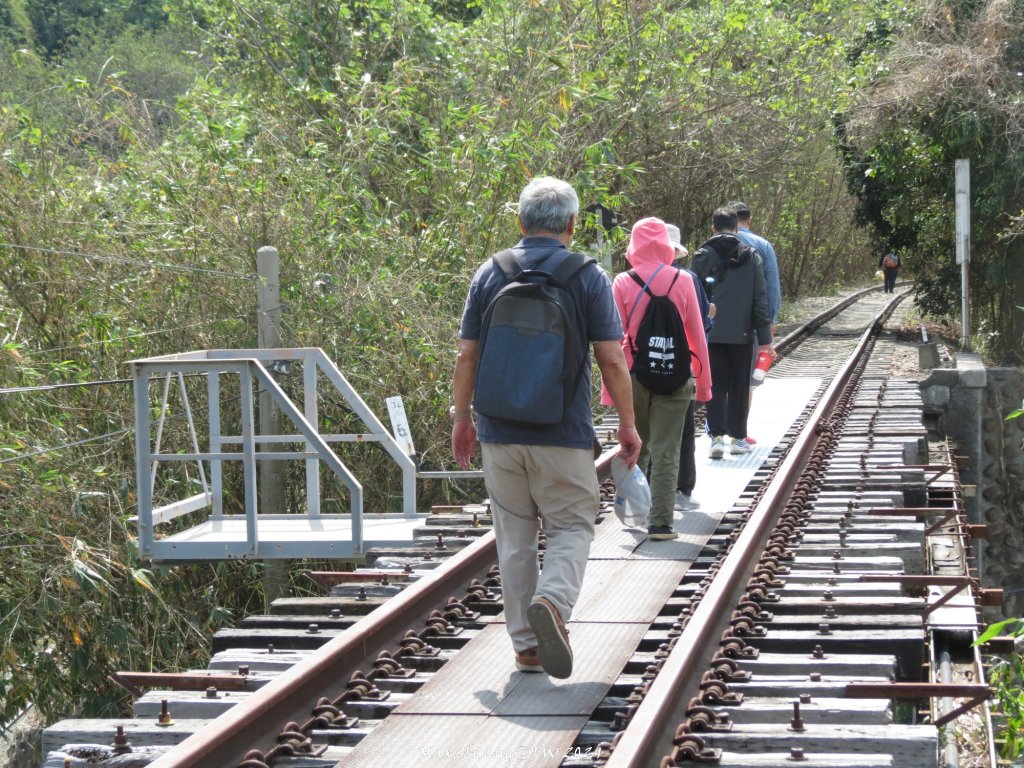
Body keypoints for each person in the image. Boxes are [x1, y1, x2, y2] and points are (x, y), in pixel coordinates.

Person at [450, 176, 641, 679]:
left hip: (498, 430)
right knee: (572, 525)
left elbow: (467, 354)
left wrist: (461, 418)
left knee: (513, 537)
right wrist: (627, 423)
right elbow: (612, 359)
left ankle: (527, 649)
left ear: (520, 221)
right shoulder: (588, 276)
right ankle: (554, 602)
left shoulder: (490, 273)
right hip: (561, 430)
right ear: (573, 225)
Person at [609, 217, 711, 540]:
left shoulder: (622, 282)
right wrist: (704, 384)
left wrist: (610, 393)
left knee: (637, 444)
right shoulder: (683, 280)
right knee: (667, 449)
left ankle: (634, 511)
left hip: (633, 377)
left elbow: (614, 342)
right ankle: (661, 523)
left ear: (633, 247)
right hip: (676, 376)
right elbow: (696, 335)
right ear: (667, 247)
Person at [690, 207, 773, 458]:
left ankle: (715, 438)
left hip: (711, 334)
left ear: (713, 228)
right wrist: (765, 341)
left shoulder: (701, 256)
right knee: (739, 385)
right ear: (737, 228)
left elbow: (693, 297)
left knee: (714, 385)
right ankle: (738, 439)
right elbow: (760, 299)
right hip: (743, 334)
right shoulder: (752, 256)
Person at [667, 224, 714, 512]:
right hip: (679, 366)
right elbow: (702, 326)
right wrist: (703, 377)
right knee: (683, 429)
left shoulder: (627, 279)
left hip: (639, 370)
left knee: (647, 431)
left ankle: (648, 489)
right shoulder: (687, 278)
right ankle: (682, 489)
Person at [729, 201, 781, 444]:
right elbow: (771, 285)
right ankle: (739, 430)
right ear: (748, 221)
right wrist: (770, 321)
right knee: (746, 377)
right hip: (751, 321)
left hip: (718, 321)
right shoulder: (762, 246)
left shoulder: (711, 246)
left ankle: (717, 431)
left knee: (720, 376)